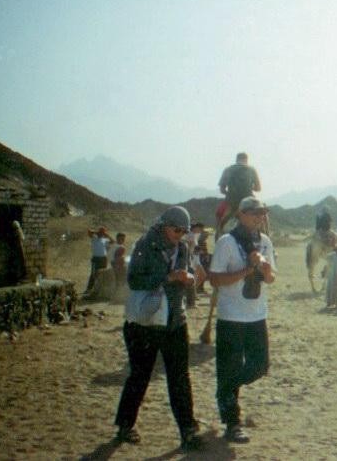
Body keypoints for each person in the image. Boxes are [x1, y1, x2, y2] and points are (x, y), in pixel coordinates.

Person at [113, 206, 202, 451]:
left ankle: (187, 430)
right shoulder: (145, 246)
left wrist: (189, 279)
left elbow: (189, 275)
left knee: (179, 378)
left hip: (174, 321)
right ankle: (124, 426)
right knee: (140, 375)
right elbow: (133, 280)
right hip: (147, 323)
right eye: (176, 230)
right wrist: (167, 278)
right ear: (164, 226)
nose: (179, 235)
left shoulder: (183, 248)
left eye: (184, 231)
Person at [210, 197, 277, 444]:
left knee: (260, 366)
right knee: (230, 365)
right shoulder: (227, 242)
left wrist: (266, 272)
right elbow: (215, 279)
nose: (259, 217)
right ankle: (232, 423)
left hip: (257, 314)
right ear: (240, 214)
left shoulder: (265, 241)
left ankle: (225, 388)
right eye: (253, 212)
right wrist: (248, 270)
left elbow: (271, 278)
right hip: (231, 316)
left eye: (262, 212)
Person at [216, 152, 262, 235]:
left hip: (231, 201)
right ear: (246, 160)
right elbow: (258, 188)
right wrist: (248, 187)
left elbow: (222, 190)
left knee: (220, 216)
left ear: (236, 159)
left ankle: (219, 234)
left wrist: (231, 192)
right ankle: (266, 233)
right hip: (249, 201)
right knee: (263, 216)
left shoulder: (228, 169)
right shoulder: (252, 169)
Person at [85, 226, 113, 295]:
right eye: (101, 232)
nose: (102, 233)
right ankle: (89, 289)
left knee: (102, 273)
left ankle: (100, 289)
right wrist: (97, 233)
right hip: (96, 258)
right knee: (93, 273)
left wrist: (107, 235)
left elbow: (113, 241)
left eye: (103, 232)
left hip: (103, 258)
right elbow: (89, 231)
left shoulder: (104, 239)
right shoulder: (94, 238)